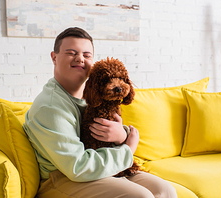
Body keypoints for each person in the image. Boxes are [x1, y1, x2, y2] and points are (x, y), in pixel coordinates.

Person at [23, 27, 177, 198]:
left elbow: (101, 127)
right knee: (140, 196)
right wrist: (128, 148)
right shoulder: (50, 107)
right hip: (63, 177)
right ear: (54, 57)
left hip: (98, 165)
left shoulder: (92, 96)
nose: (80, 59)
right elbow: (78, 167)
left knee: (165, 191)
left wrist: (121, 135)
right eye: (71, 53)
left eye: (87, 55)